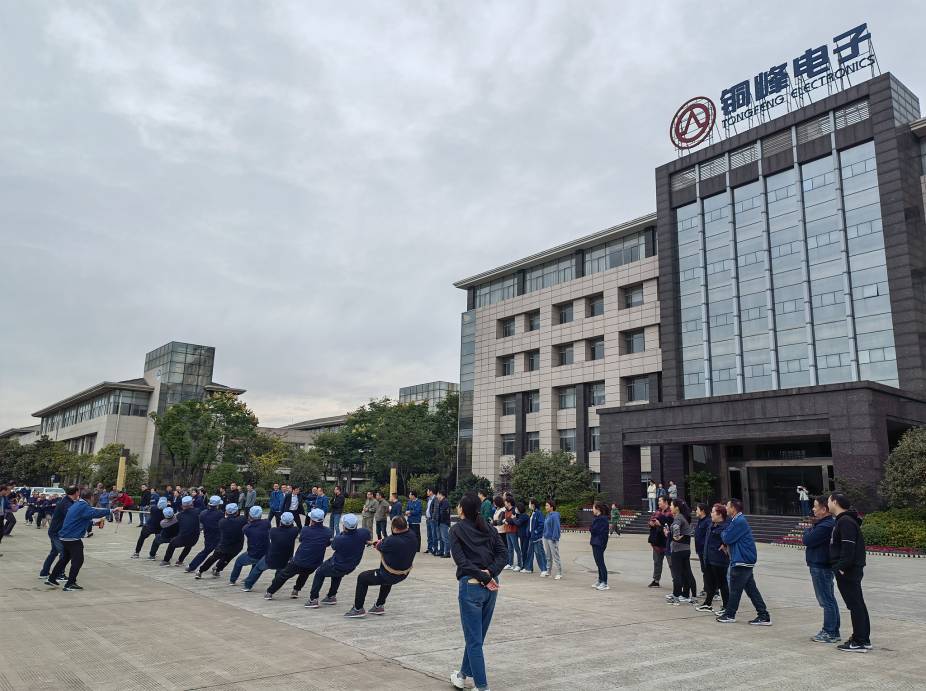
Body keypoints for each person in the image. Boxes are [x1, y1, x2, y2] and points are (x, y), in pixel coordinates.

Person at [448, 492, 507, 691]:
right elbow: (503, 554)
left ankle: (482, 687)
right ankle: (462, 675)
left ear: (462, 509)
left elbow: (462, 562)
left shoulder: (456, 530)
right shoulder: (488, 527)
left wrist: (485, 576)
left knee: (474, 640)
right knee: (476, 637)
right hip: (491, 586)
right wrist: (490, 573)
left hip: (473, 585)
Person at [46, 489, 121, 590]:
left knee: (65, 559)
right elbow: (94, 513)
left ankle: (52, 578)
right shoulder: (83, 506)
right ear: (91, 497)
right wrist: (112, 510)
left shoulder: (77, 504)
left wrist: (95, 523)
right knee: (78, 560)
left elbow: (82, 518)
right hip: (72, 538)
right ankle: (70, 584)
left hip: (65, 536)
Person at [345, 515, 417, 617]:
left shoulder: (392, 541)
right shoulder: (412, 535)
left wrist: (377, 543)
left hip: (389, 574)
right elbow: (387, 542)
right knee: (387, 581)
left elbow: (380, 546)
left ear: (395, 528)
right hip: (403, 573)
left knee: (362, 578)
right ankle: (379, 606)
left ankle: (358, 609)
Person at [717, 498, 771, 625]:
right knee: (752, 590)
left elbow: (727, 537)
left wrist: (724, 533)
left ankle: (730, 614)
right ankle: (763, 615)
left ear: (733, 508)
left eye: (727, 506)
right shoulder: (736, 520)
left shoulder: (739, 521)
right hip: (743, 560)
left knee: (735, 590)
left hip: (742, 560)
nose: (726, 508)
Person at [828, 492, 870, 653]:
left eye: (829, 500)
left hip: (848, 570)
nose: (828, 504)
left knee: (855, 605)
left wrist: (841, 567)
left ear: (835, 502)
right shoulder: (845, 520)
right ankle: (863, 638)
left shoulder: (845, 521)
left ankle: (859, 641)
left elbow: (848, 548)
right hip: (850, 569)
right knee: (858, 604)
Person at [305, 513, 371, 608]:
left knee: (319, 572)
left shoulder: (340, 538)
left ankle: (313, 599)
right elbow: (366, 537)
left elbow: (334, 546)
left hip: (337, 564)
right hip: (351, 565)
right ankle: (331, 596)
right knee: (337, 574)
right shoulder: (364, 532)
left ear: (344, 526)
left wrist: (342, 534)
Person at [265, 508, 331, 599]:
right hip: (315, 562)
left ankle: (270, 592)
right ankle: (296, 590)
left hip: (299, 560)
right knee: (304, 574)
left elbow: (301, 540)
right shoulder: (328, 531)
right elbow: (327, 543)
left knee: (284, 575)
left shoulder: (306, 530)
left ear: (312, 520)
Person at [802, 496, 840, 643]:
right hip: (820, 565)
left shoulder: (826, 525)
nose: (813, 509)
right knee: (829, 599)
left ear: (824, 509)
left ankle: (829, 632)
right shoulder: (823, 524)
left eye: (815, 506)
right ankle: (833, 631)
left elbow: (807, 540)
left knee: (826, 600)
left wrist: (808, 531)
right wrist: (810, 530)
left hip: (821, 566)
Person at [241, 511, 298, 592]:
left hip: (271, 558)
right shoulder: (295, 531)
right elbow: (293, 527)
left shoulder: (273, 531)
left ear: (281, 521)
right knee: (279, 573)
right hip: (285, 559)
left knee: (257, 569)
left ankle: (247, 586)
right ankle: (274, 587)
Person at [195, 503, 247, 579]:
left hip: (223, 544)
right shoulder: (242, 520)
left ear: (226, 512)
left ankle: (200, 571)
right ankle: (217, 569)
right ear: (237, 512)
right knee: (227, 559)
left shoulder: (222, 522)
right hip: (236, 546)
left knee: (213, 557)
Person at [696, 503, 730, 614]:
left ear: (720, 514)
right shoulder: (712, 524)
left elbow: (730, 539)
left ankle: (726, 607)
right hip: (709, 558)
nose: (711, 514)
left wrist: (725, 545)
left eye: (713, 512)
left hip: (719, 560)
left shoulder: (725, 527)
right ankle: (708, 604)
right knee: (710, 583)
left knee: (722, 584)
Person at [39, 486, 78, 580]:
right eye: (78, 492)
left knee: (54, 552)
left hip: (55, 531)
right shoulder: (66, 503)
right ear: (76, 493)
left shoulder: (67, 501)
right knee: (64, 553)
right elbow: (72, 516)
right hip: (56, 532)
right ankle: (60, 574)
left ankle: (44, 572)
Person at [229, 506, 270, 586]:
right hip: (265, 553)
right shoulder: (266, 523)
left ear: (250, 515)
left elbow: (249, 527)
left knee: (238, 562)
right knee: (256, 564)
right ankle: (249, 579)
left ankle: (232, 580)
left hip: (253, 553)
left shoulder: (246, 528)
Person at [666, 499, 697, 605]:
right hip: (685, 549)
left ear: (677, 508)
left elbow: (676, 527)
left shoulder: (678, 517)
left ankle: (676, 597)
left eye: (671, 505)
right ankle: (693, 597)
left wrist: (676, 536)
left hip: (678, 550)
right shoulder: (684, 517)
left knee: (677, 574)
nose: (670, 507)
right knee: (688, 573)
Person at [187, 496, 224, 572]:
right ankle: (217, 568)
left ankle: (191, 566)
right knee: (221, 552)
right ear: (217, 505)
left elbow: (201, 524)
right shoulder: (220, 513)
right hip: (219, 536)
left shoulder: (203, 513)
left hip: (208, 535)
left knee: (205, 552)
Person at [161, 495, 201, 567]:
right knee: (189, 546)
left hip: (183, 537)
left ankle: (166, 561)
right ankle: (180, 561)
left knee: (172, 544)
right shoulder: (198, 511)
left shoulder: (180, 515)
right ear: (192, 504)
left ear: (183, 505)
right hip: (195, 538)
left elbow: (166, 523)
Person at [647, 496, 673, 587]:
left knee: (671, 563)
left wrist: (660, 524)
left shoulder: (671, 513)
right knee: (657, 562)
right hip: (657, 541)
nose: (658, 503)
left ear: (665, 502)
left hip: (667, 542)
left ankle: (676, 580)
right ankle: (656, 580)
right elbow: (651, 520)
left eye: (660, 501)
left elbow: (671, 526)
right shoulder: (657, 512)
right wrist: (651, 523)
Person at [522, 498, 547, 575]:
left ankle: (544, 569)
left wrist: (536, 532)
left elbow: (541, 524)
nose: (529, 505)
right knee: (530, 553)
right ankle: (528, 568)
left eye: (530, 503)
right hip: (531, 537)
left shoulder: (539, 513)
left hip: (537, 537)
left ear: (533, 504)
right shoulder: (533, 512)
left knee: (539, 553)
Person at [590, 502, 610, 591]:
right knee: (598, 562)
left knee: (600, 563)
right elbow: (593, 529)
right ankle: (600, 580)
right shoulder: (598, 518)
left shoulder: (602, 519)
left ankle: (604, 583)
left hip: (599, 543)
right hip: (596, 542)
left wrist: (592, 528)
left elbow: (594, 530)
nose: (592, 510)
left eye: (593, 508)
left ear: (598, 509)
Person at [542, 500, 562, 580]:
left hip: (552, 539)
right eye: (545, 505)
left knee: (555, 556)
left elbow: (556, 527)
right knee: (548, 556)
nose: (545, 507)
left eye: (547, 505)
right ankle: (548, 571)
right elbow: (545, 526)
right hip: (546, 538)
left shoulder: (555, 515)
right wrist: (544, 534)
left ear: (552, 507)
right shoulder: (547, 515)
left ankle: (559, 573)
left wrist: (554, 538)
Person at [694, 502, 711, 597]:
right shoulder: (700, 521)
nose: (695, 511)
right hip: (700, 550)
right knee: (705, 570)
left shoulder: (707, 521)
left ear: (702, 511)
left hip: (706, 551)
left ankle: (714, 591)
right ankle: (706, 589)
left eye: (697, 509)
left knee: (708, 571)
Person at [502, 497, 521, 571]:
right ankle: (510, 564)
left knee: (516, 548)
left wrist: (507, 520)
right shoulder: (506, 510)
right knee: (510, 548)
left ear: (509, 503)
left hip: (513, 531)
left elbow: (513, 520)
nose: (504, 503)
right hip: (507, 530)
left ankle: (519, 564)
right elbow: (505, 519)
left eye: (505, 502)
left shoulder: (514, 510)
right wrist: (506, 520)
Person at [436, 489, 452, 558]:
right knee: (441, 538)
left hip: (444, 522)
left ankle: (447, 553)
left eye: (437, 494)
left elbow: (444, 513)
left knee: (445, 538)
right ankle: (441, 551)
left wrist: (441, 519)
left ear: (441, 494)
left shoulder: (445, 502)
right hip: (441, 522)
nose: (437, 496)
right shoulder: (442, 501)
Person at [425, 488, 437, 554]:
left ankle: (434, 549)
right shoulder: (428, 499)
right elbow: (428, 508)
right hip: (428, 519)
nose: (427, 492)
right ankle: (429, 548)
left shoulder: (435, 499)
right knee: (429, 534)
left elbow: (435, 509)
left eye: (427, 491)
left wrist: (433, 518)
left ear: (431, 492)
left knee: (433, 534)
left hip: (432, 519)